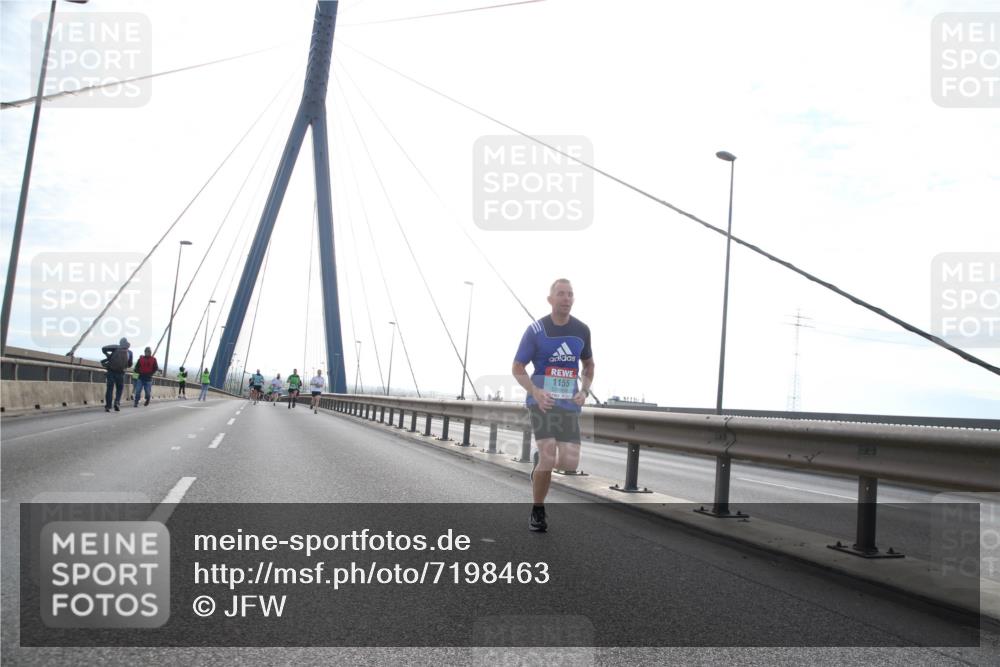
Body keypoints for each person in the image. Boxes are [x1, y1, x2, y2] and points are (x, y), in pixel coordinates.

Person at [512, 278, 594, 532]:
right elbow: (517, 368)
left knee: (569, 463)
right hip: (543, 403)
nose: (566, 298)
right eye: (561, 294)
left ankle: (539, 466)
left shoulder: (582, 330)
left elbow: (589, 365)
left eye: (570, 294)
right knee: (548, 456)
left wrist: (584, 390)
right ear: (550, 299)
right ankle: (538, 511)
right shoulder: (536, 330)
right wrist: (535, 392)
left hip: (569, 404)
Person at [100, 337, 133, 412]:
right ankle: (117, 403)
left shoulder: (115, 348)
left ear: (120, 342)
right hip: (121, 373)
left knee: (109, 389)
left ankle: (108, 406)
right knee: (119, 389)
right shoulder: (130, 352)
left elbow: (103, 348)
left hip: (111, 371)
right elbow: (130, 364)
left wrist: (108, 356)